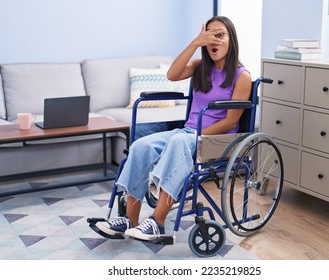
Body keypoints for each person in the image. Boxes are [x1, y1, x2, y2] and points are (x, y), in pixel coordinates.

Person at [96, 15, 252, 241]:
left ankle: (157, 222)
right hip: (188, 133)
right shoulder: (201, 67)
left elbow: (230, 121)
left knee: (179, 141)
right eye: (209, 36)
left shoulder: (241, 76)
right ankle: (131, 218)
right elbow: (172, 75)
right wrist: (195, 43)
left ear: (232, 40)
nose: (214, 41)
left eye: (220, 35)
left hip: (216, 140)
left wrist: (196, 133)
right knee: (141, 145)